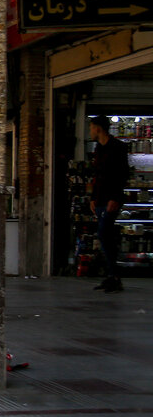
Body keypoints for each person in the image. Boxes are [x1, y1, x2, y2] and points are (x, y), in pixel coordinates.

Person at [89, 115, 129, 293]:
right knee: (105, 237)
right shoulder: (98, 149)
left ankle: (114, 276)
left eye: (91, 127)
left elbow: (122, 174)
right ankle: (111, 275)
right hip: (100, 199)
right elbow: (97, 176)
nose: (90, 131)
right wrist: (93, 198)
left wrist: (115, 197)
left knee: (104, 234)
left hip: (111, 199)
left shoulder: (118, 148)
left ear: (98, 128)